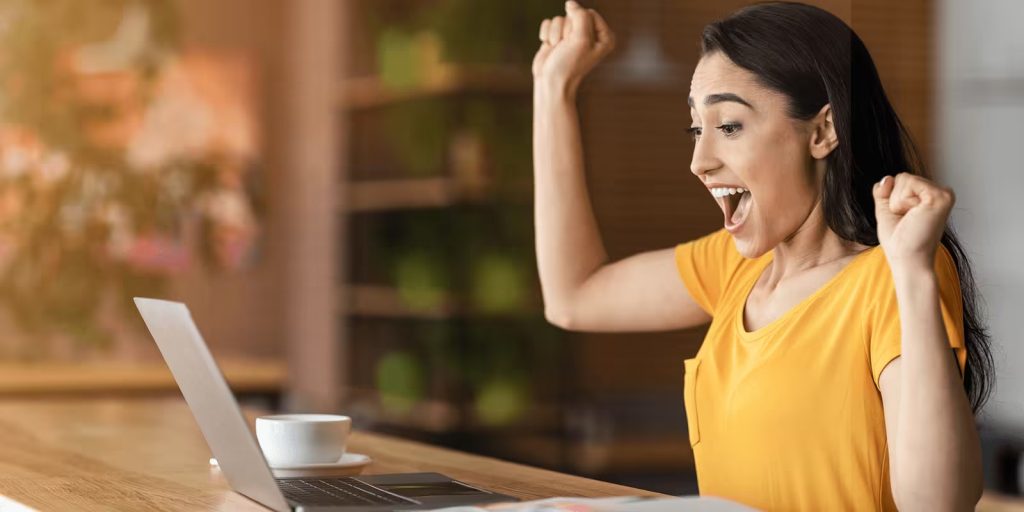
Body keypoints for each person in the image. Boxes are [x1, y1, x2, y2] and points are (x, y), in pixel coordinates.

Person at [531, 1, 995, 510]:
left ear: (822, 131)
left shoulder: (891, 276)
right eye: (696, 129)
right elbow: (573, 296)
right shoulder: (737, 267)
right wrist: (554, 90)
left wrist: (912, 271)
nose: (699, 162)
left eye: (729, 126)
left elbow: (939, 505)